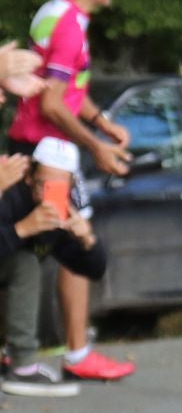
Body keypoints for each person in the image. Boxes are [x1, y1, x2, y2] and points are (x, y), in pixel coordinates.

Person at [7, 0, 135, 380]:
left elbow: (60, 90)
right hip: (50, 153)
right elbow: (54, 105)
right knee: (73, 241)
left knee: (30, 244)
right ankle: (77, 354)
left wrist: (101, 122)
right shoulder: (69, 28)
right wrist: (97, 146)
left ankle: (17, 346)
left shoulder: (54, 12)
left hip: (34, 145)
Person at [1, 137, 107, 396]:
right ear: (29, 178)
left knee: (24, 264)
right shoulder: (10, 194)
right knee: (25, 263)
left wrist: (87, 240)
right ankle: (23, 366)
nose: (50, 193)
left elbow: (94, 270)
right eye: (44, 185)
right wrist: (22, 229)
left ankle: (15, 361)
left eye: (60, 187)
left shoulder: (59, 213)